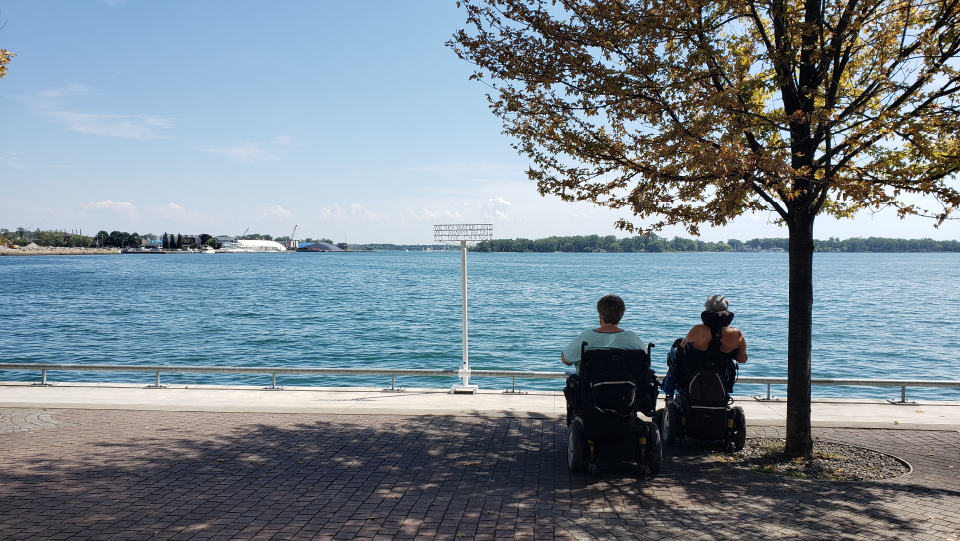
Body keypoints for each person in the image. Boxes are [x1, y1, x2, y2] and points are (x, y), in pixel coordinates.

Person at [561, 294, 646, 375]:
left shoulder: (586, 337)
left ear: (599, 314)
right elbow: (645, 359)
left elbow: (565, 360)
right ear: (622, 314)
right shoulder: (632, 339)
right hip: (628, 389)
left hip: (591, 389)